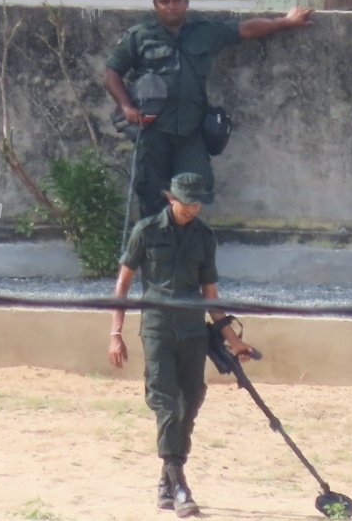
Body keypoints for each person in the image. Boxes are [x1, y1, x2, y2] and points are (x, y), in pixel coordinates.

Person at [104, 0, 314, 218]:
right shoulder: (139, 37)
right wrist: (126, 105)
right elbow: (111, 73)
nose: (170, 6)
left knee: (194, 189)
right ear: (155, 4)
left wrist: (286, 21)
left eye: (176, 0)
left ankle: (188, 248)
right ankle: (154, 251)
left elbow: (245, 29)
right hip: (153, 131)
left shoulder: (205, 33)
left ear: (186, 2)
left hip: (191, 131)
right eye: (164, 1)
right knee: (151, 194)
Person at [108, 172, 255, 517]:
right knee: (167, 404)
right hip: (158, 331)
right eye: (187, 202)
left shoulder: (204, 237)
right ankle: (180, 487)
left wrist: (234, 341)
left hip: (193, 334)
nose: (193, 208)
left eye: (197, 202)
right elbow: (122, 286)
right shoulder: (146, 231)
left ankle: (165, 480)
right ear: (171, 199)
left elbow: (210, 296)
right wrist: (115, 333)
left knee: (190, 403)